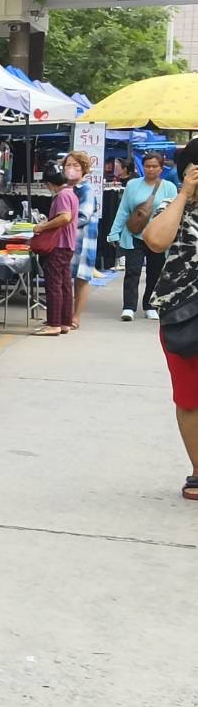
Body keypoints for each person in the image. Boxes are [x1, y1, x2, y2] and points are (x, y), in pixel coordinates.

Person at [142, 139, 198, 502]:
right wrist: (185, 193)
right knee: (191, 398)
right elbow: (155, 241)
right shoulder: (173, 207)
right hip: (184, 314)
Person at [108, 152, 177, 321]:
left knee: (155, 272)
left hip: (157, 236)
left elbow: (174, 214)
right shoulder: (132, 185)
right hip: (133, 234)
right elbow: (124, 210)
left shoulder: (169, 187)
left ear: (161, 168)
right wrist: (114, 232)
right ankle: (129, 307)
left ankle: (150, 305)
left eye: (155, 166)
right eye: (147, 166)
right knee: (132, 271)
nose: (151, 169)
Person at [32, 164, 80, 336]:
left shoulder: (62, 195)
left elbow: (65, 217)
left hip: (58, 245)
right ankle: (65, 321)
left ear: (50, 183)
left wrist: (43, 226)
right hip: (67, 244)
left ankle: (54, 324)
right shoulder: (71, 193)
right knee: (65, 284)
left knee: (54, 285)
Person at [66, 152, 99, 329]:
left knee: (81, 278)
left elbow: (83, 216)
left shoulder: (85, 189)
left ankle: (76, 317)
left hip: (83, 239)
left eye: (76, 166)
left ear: (84, 170)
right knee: (67, 277)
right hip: (69, 238)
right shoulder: (65, 188)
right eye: (68, 165)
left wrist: (61, 224)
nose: (70, 169)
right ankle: (66, 314)